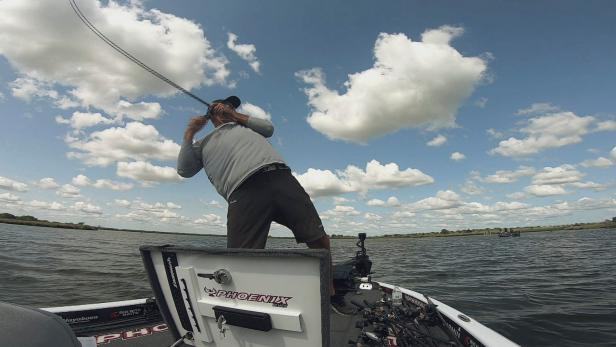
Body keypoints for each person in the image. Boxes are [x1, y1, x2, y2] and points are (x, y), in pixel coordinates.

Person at [176, 96, 352, 314]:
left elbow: (268, 128)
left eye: (231, 106)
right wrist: (190, 132)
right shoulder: (203, 143)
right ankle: (250, 309)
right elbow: (184, 170)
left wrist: (234, 115)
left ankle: (330, 295)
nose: (228, 107)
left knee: (319, 239)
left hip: (280, 177)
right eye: (224, 106)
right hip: (242, 191)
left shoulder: (247, 126)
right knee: (242, 258)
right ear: (211, 114)